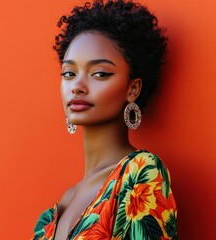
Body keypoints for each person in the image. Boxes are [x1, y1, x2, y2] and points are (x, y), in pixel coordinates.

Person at [31, 0, 177, 239]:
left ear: (133, 88)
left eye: (99, 73)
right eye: (69, 73)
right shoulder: (57, 209)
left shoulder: (139, 173)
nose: (77, 86)